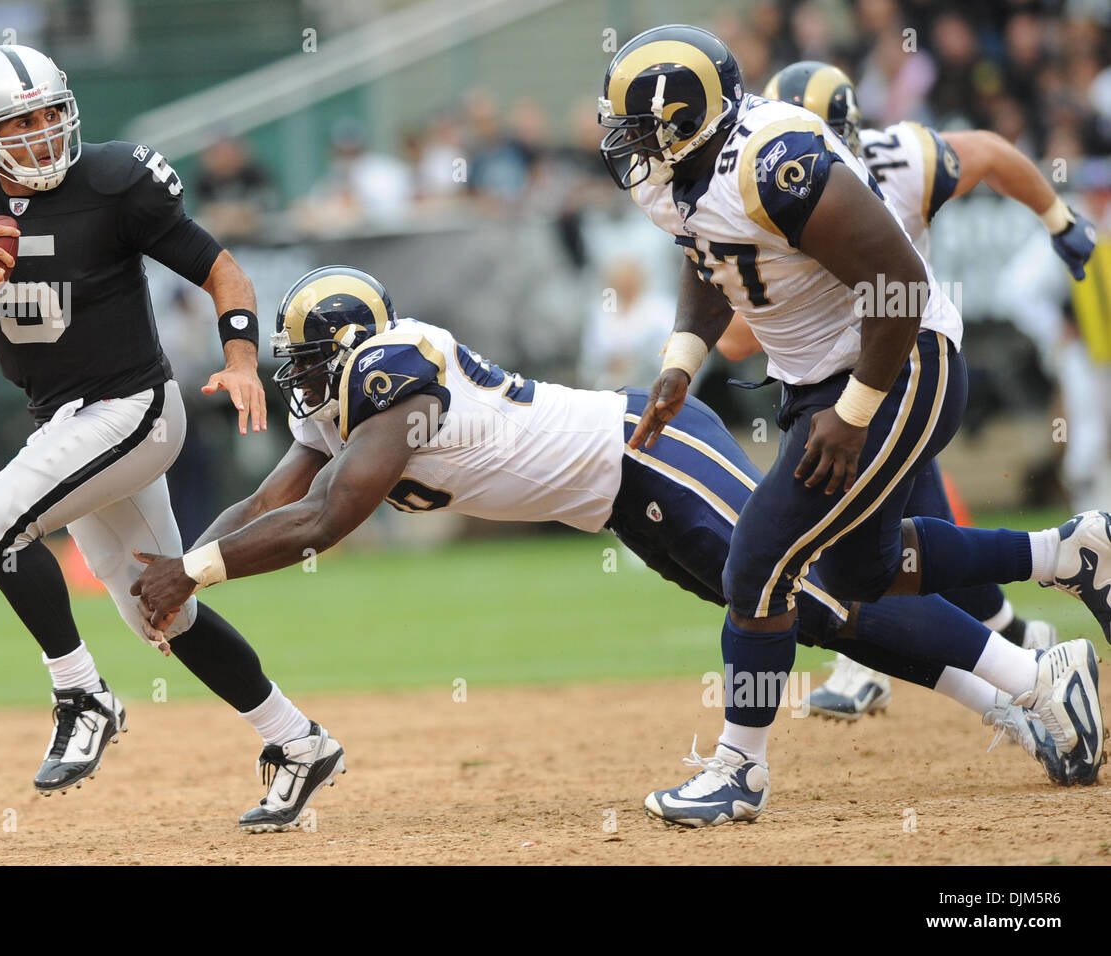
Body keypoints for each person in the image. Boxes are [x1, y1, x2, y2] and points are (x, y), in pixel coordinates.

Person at [130, 266, 1105, 829]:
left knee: (800, 581)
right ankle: (1025, 682)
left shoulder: (392, 374)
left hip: (646, 452)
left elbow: (329, 521)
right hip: (617, 499)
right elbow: (273, 498)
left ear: (348, 351)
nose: (302, 388)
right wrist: (189, 588)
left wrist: (194, 569)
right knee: (809, 603)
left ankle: (1048, 589)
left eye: (308, 365)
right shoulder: (349, 398)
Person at [597, 25, 1107, 827]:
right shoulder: (671, 175)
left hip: (901, 363)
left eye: (639, 127)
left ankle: (740, 769)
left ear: (687, 119)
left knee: (756, 565)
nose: (626, 145)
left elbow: (901, 284)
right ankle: (1066, 559)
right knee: (863, 575)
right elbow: (708, 261)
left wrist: (854, 411)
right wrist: (680, 360)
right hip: (821, 379)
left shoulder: (777, 163)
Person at [0, 44, 343, 832]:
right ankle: (297, 741)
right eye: (21, 122)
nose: (44, 133)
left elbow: (224, 272)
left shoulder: (115, 181)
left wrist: (243, 361)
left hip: (132, 407)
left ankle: (82, 693)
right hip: (64, 421)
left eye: (53, 113)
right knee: (159, 607)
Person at [719, 60, 1097, 720]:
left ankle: (1025, 666)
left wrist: (1058, 217)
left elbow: (991, 153)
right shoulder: (834, 169)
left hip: (887, 381)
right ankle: (1039, 623)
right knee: (896, 557)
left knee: (839, 558)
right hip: (881, 380)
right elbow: (989, 152)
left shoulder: (849, 172)